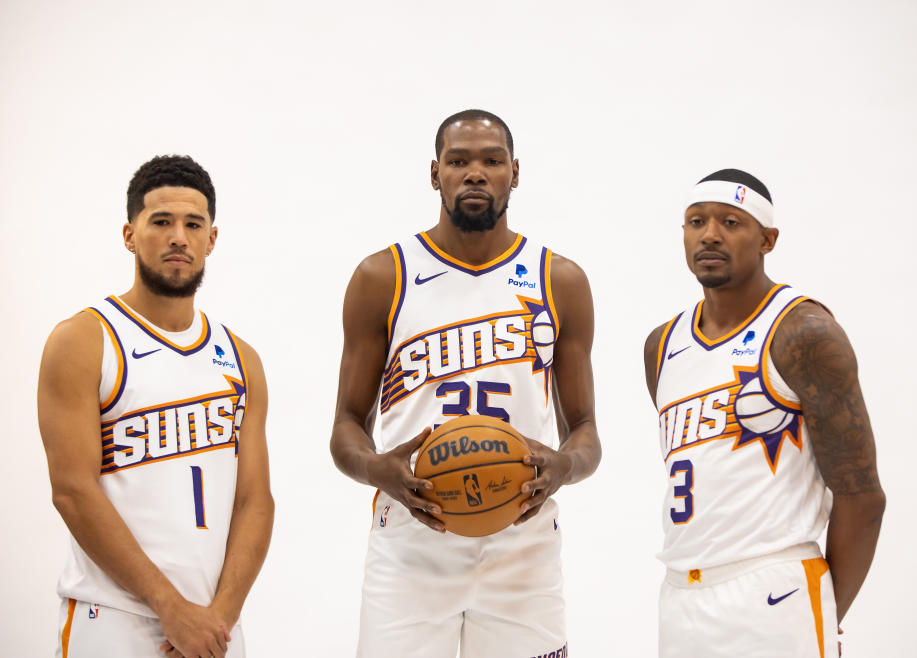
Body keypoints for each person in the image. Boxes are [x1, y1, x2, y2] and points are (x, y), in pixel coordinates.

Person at [331, 109, 601, 657]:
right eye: (458, 161)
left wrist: (564, 467)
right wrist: (377, 469)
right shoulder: (383, 277)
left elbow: (587, 433)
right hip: (411, 540)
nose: (474, 173)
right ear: (436, 174)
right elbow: (344, 429)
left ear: (515, 173)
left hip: (522, 543)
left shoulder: (560, 280)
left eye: (491, 161)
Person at [642, 169, 885, 658]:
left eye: (731, 222)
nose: (709, 234)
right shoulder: (662, 346)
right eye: (696, 221)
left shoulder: (803, 332)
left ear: (768, 239)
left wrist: (820, 609)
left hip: (775, 590)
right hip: (680, 595)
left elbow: (862, 495)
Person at [38, 155, 274, 658]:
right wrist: (170, 607)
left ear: (212, 239)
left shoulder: (241, 359)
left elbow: (255, 500)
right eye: (161, 222)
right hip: (113, 619)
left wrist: (220, 616)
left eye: (194, 224)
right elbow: (72, 491)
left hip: (213, 627)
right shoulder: (84, 340)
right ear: (129, 234)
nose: (178, 238)